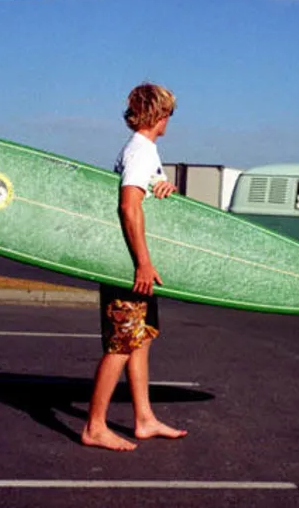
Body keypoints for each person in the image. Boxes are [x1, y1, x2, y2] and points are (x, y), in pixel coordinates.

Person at [81, 82, 189, 451]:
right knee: (121, 345)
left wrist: (164, 188)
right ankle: (95, 426)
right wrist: (143, 263)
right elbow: (128, 206)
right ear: (159, 115)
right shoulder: (141, 151)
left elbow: (144, 198)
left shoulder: (144, 153)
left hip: (135, 263)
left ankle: (143, 419)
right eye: (169, 113)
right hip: (130, 265)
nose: (169, 120)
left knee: (139, 341)